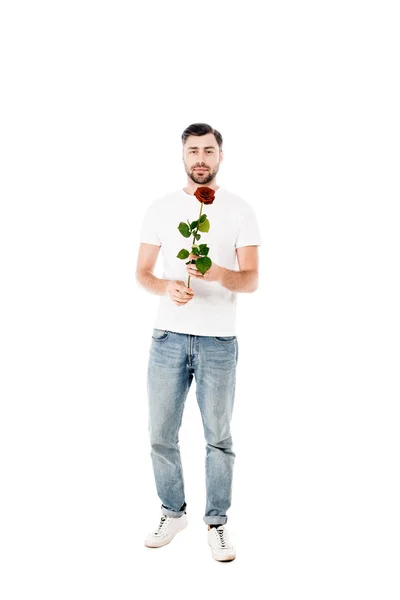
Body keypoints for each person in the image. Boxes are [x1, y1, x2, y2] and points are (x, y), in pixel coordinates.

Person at [135, 122, 262, 561]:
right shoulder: (160, 208)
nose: (201, 158)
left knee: (219, 437)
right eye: (193, 151)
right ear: (183, 156)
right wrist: (167, 286)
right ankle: (173, 511)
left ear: (220, 155)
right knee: (160, 433)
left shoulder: (240, 210)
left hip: (218, 342)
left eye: (209, 150)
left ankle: (217, 522)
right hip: (168, 336)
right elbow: (142, 273)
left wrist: (216, 274)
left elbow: (251, 280)